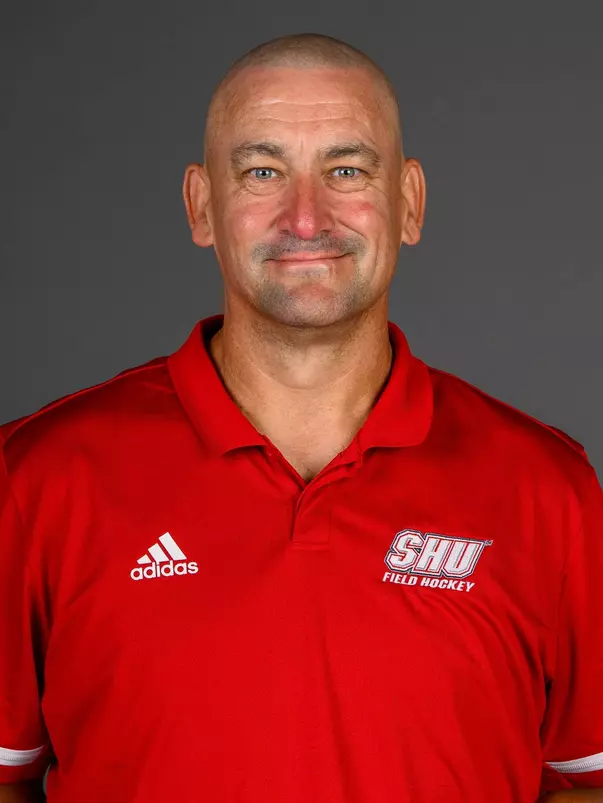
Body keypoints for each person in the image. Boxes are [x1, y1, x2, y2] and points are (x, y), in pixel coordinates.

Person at [0, 32, 602, 803]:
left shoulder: (544, 490)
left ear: (409, 202)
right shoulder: (39, 478)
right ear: (201, 206)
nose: (307, 218)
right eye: (262, 171)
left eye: (346, 170)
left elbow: (585, 778)